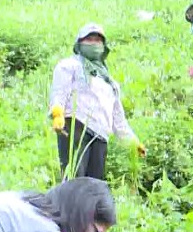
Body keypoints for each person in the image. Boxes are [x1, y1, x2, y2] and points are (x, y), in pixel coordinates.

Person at [49, 24, 145, 182]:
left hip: (100, 136)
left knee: (95, 185)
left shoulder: (110, 82)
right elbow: (60, 91)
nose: (94, 43)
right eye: (89, 39)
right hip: (76, 126)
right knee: (74, 179)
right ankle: (69, 207)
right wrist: (57, 114)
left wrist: (133, 142)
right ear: (80, 43)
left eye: (98, 40)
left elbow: (118, 119)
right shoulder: (70, 66)